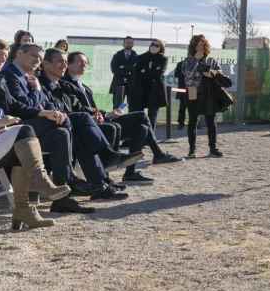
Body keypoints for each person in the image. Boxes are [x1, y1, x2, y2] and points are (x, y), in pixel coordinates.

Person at [0, 37, 71, 230]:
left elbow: (12, 105)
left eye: (5, 56)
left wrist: (41, 112)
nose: (2, 59)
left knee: (23, 141)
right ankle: (40, 182)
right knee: (25, 131)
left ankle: (24, 209)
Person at [62, 51, 182, 183]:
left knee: (141, 125)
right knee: (135, 122)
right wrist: (104, 114)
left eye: (85, 63)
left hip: (100, 120)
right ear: (69, 64)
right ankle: (156, 155)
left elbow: (93, 109)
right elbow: (77, 108)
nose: (84, 65)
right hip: (88, 125)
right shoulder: (65, 84)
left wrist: (108, 113)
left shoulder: (85, 87)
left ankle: (132, 172)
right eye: (80, 62)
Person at [37, 48, 140, 200]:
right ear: (45, 64)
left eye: (65, 62)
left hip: (67, 127)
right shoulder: (38, 83)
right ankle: (106, 161)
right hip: (49, 129)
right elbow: (46, 109)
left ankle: (100, 185)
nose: (64, 65)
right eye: (60, 61)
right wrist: (87, 115)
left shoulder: (62, 85)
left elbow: (78, 106)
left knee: (85, 139)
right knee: (87, 128)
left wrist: (95, 113)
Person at [181, 35, 230, 158]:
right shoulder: (188, 61)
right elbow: (187, 76)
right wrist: (196, 63)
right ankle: (192, 150)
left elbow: (219, 73)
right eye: (197, 44)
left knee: (211, 121)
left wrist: (211, 73)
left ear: (206, 46)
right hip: (193, 91)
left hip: (209, 93)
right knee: (192, 121)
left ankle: (213, 148)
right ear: (193, 46)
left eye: (202, 44)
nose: (200, 46)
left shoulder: (211, 60)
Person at [131, 39, 168, 127]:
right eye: (152, 44)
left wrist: (145, 71)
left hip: (155, 90)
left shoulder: (163, 59)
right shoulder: (141, 57)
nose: (153, 47)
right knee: (139, 115)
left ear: (161, 48)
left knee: (152, 116)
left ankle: (151, 135)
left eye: (157, 45)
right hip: (141, 89)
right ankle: (140, 134)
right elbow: (136, 73)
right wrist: (150, 70)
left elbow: (158, 74)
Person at [110, 36, 139, 108]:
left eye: (131, 43)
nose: (129, 44)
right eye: (127, 42)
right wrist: (129, 70)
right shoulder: (117, 55)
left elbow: (136, 70)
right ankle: (117, 115)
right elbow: (114, 69)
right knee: (117, 106)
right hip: (118, 83)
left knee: (132, 106)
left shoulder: (136, 56)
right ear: (123, 44)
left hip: (132, 84)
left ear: (133, 44)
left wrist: (123, 67)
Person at [172, 60, 188, 128]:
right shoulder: (181, 64)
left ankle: (182, 123)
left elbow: (176, 75)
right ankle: (181, 123)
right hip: (184, 88)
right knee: (183, 106)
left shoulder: (197, 63)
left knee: (189, 107)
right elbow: (176, 75)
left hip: (191, 88)